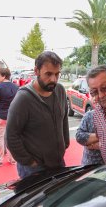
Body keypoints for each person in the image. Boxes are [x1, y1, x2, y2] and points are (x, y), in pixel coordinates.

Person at [6, 51, 69, 179]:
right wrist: (29, 162)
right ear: (36, 71)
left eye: (57, 74)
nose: (54, 79)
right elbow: (11, 136)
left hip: (58, 161)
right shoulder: (23, 98)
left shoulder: (60, 90)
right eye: (48, 74)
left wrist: (65, 143)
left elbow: (64, 119)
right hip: (34, 169)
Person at [0, 67, 19, 166]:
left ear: (4, 76)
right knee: (11, 138)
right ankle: (13, 159)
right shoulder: (16, 87)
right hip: (12, 115)